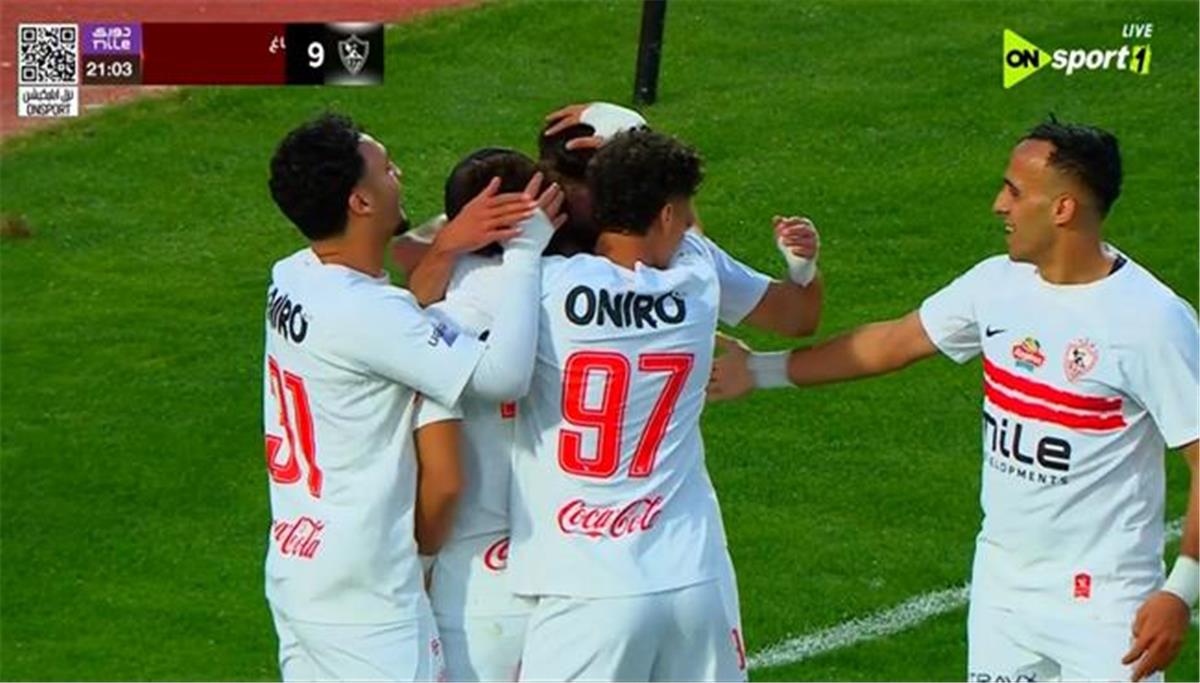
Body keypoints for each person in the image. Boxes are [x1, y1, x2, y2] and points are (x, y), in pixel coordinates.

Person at [708, 119, 1199, 682]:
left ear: (1063, 209)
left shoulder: (1150, 321)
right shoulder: (996, 285)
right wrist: (759, 372)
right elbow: (891, 343)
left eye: (1015, 191)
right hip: (1001, 592)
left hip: (1105, 604)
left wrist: (1180, 591)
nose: (998, 205)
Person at [506, 128, 817, 681]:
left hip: (585, 585)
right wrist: (803, 269)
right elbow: (797, 317)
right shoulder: (697, 274)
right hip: (693, 575)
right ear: (669, 215)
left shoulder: (541, 284)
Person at [262, 112, 562, 681]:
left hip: (298, 569)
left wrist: (444, 248)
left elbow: (394, 320)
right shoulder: (369, 316)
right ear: (360, 202)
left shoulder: (292, 276)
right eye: (386, 170)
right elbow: (502, 378)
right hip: (369, 596)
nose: (398, 175)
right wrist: (525, 253)